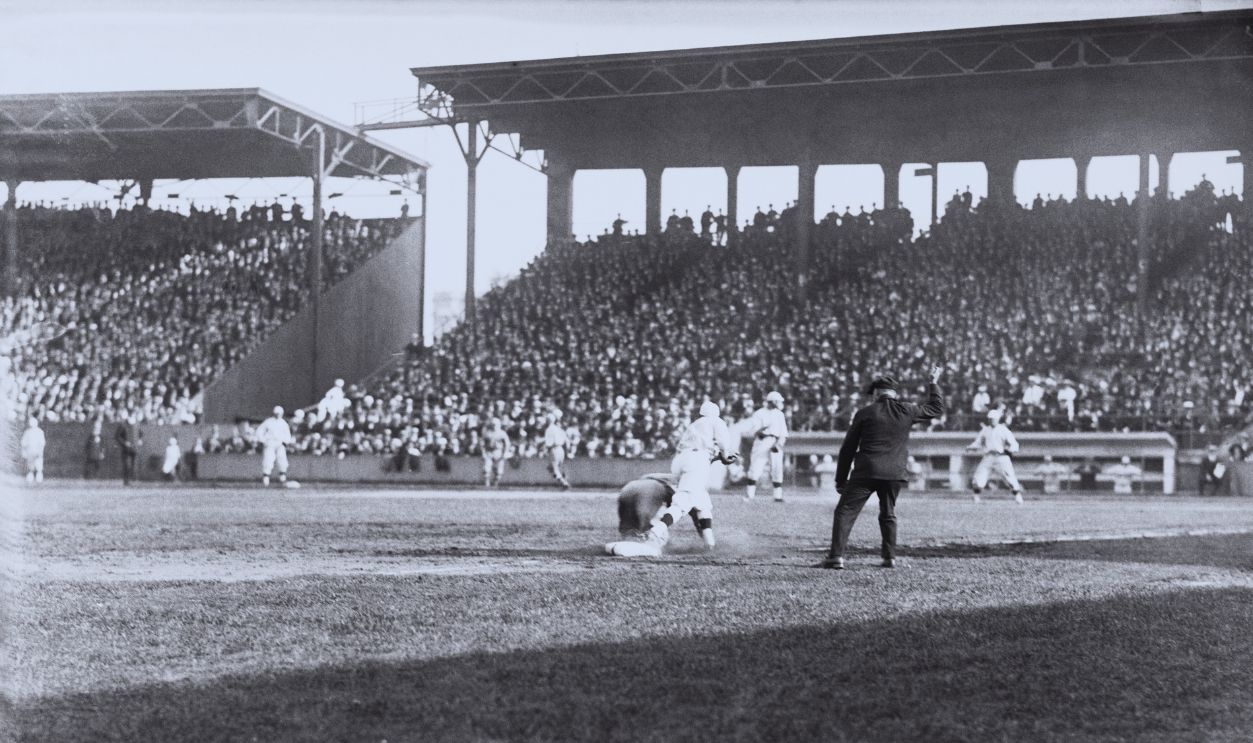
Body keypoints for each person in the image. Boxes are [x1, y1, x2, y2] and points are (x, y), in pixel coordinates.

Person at [820, 365, 945, 570]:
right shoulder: (907, 410)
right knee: (888, 513)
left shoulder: (865, 413)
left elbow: (848, 448)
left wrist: (840, 479)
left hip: (866, 471)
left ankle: (836, 557)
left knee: (845, 511)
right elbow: (936, 408)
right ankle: (889, 558)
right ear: (894, 394)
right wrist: (933, 382)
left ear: (876, 394)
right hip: (894, 473)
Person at [613, 401, 738, 556]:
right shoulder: (716, 421)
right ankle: (655, 532)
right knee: (684, 501)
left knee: (702, 501)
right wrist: (726, 456)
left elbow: (698, 455)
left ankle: (710, 544)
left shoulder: (695, 425)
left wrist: (717, 457)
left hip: (680, 461)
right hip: (696, 460)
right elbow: (722, 445)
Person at [967, 409, 1024, 503]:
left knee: (1009, 476)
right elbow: (978, 442)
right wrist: (970, 447)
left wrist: (1011, 449)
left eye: (994, 419)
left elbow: (1014, 443)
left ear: (998, 419)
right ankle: (976, 497)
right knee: (980, 475)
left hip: (1001, 456)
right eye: (990, 419)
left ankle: (1018, 496)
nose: (992, 420)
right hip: (989, 456)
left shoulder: (1003, 429)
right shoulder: (985, 430)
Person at [743, 390, 789, 502]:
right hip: (763, 441)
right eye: (778, 401)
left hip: (775, 440)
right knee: (756, 466)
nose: (779, 403)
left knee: (777, 468)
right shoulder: (759, 413)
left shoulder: (779, 414)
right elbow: (755, 431)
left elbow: (783, 433)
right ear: (772, 401)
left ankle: (777, 496)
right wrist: (763, 429)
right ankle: (750, 495)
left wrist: (778, 444)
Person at [256, 406, 293, 487]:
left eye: (279, 413)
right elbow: (259, 431)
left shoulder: (283, 423)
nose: (278, 415)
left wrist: (285, 442)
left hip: (280, 444)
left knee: (282, 459)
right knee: (268, 459)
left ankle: (282, 476)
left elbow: (287, 434)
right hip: (270, 443)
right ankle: (266, 478)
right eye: (276, 413)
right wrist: (263, 441)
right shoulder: (268, 422)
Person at [542, 412, 571, 489]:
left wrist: (544, 450)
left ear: (548, 420)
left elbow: (548, 443)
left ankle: (563, 482)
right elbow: (566, 440)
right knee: (555, 467)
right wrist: (567, 450)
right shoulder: (559, 429)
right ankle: (563, 480)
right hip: (561, 449)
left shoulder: (548, 429)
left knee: (554, 468)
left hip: (554, 449)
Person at [482, 418, 512, 487]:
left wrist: (505, 453)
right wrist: (483, 452)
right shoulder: (487, 433)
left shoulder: (502, 433)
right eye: (492, 424)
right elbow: (483, 443)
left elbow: (507, 444)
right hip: (489, 452)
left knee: (499, 471)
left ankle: (495, 484)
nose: (494, 426)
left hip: (499, 452)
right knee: (486, 468)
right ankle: (487, 484)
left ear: (499, 424)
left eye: (495, 424)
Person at [115, 414, 143, 485]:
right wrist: (124, 443)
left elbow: (141, 433)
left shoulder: (137, 424)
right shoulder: (123, 425)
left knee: (135, 465)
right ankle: (126, 481)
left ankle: (134, 480)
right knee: (127, 465)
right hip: (126, 449)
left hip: (135, 448)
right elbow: (117, 436)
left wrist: (139, 440)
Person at [20, 416, 46, 485]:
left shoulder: (40, 432)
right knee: (30, 466)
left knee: (38, 466)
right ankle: (30, 478)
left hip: (37, 451)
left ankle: (39, 479)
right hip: (30, 452)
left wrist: (40, 451)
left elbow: (42, 443)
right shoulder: (27, 432)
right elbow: (23, 443)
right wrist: (24, 452)